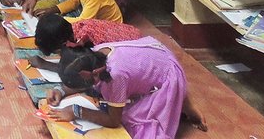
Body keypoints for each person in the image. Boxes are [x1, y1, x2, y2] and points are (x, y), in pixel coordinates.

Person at [46, 38, 208, 138]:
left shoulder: (116, 76)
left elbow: (113, 120)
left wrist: (76, 110)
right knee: (100, 96)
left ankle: (183, 104)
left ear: (94, 74)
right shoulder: (93, 55)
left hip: (167, 75)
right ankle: (185, 106)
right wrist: (61, 90)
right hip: (156, 54)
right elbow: (84, 79)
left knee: (134, 126)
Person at [29, 14, 142, 72]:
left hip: (137, 48)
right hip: (132, 34)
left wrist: (44, 64)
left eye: (58, 51)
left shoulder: (82, 42)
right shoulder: (71, 30)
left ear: (65, 43)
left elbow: (81, 73)